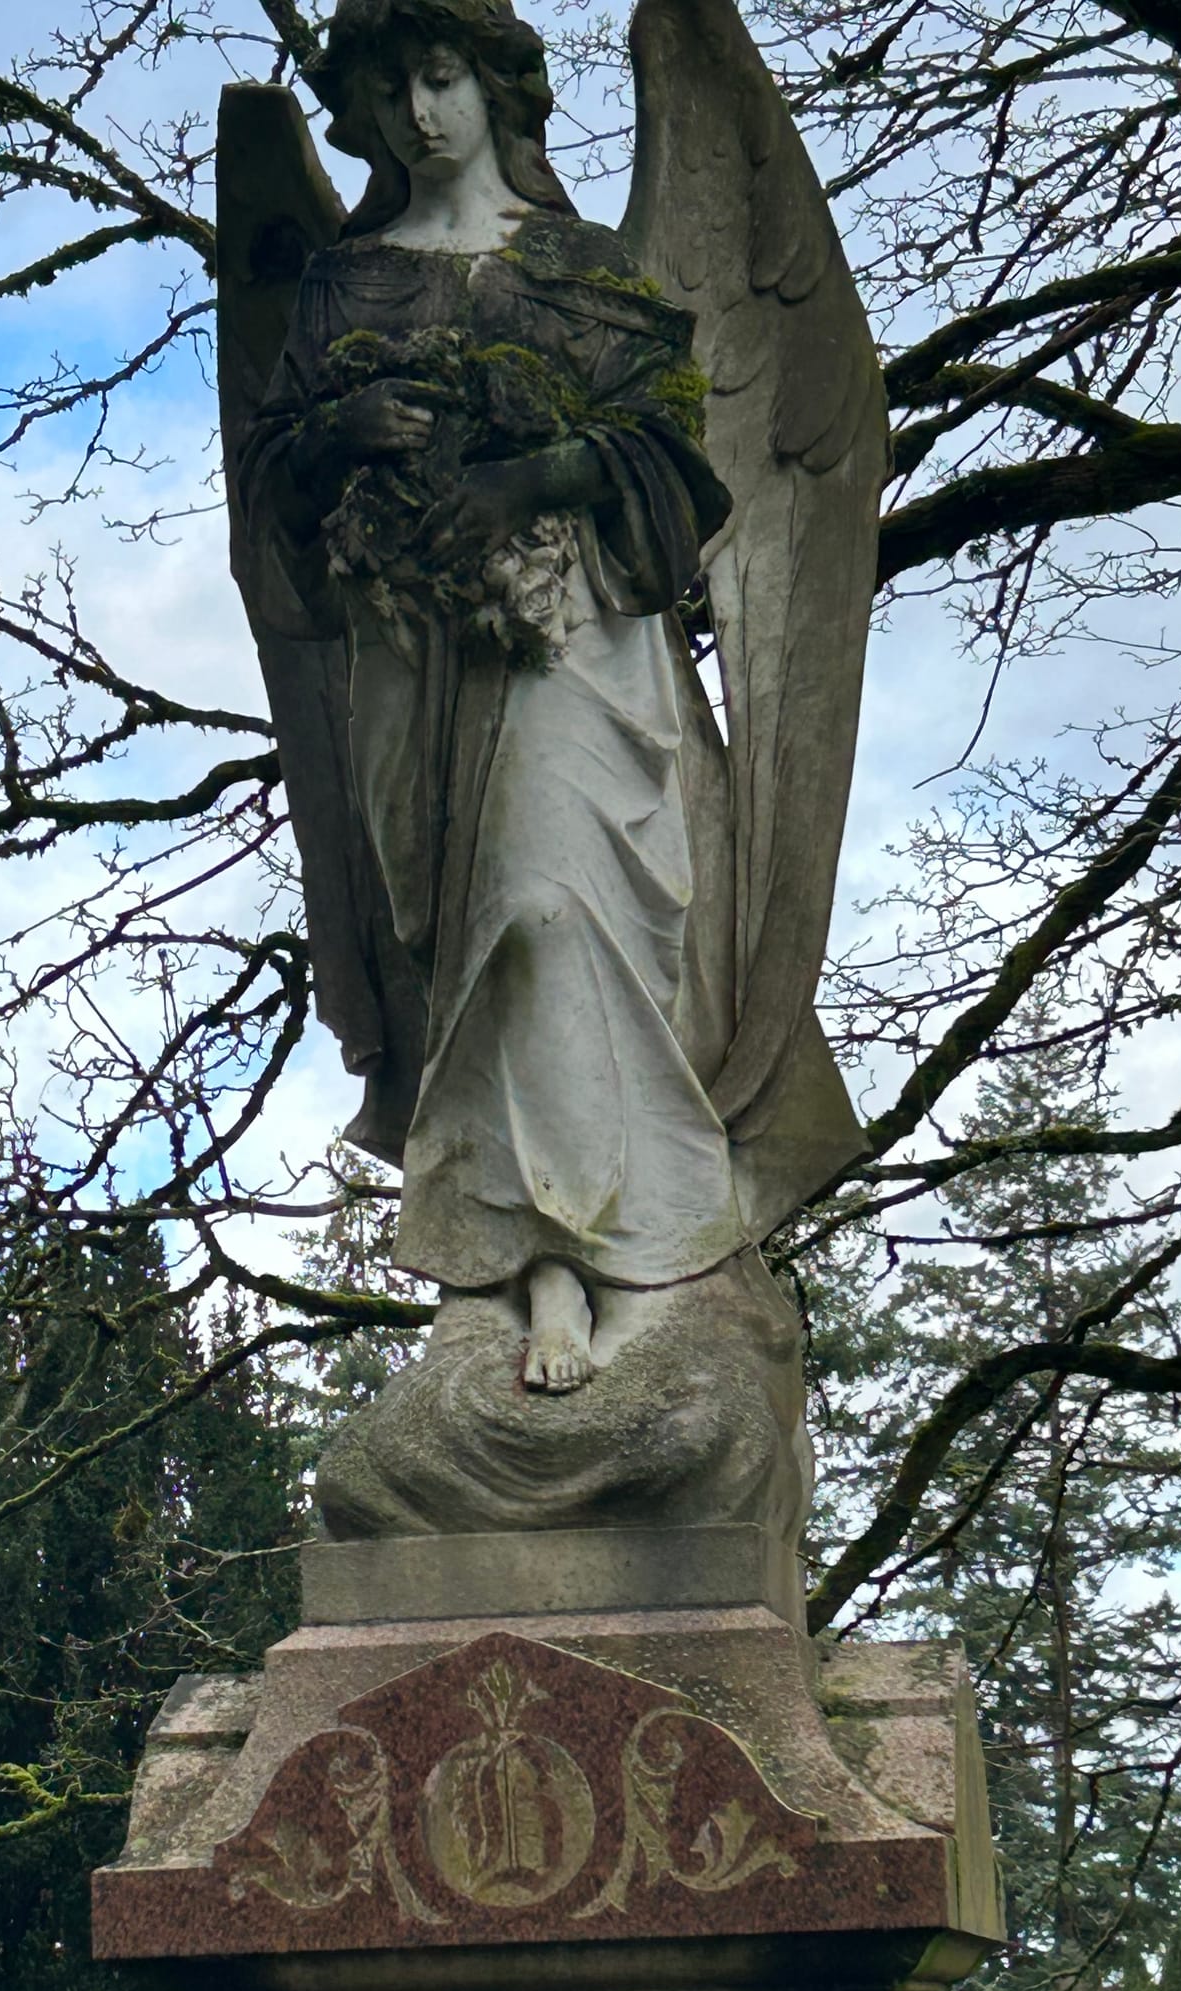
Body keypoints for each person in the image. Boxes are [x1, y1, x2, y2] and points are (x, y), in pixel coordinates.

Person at [237, 0, 744, 1393]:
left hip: (567, 636)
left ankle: (588, 1251)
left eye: (443, 77)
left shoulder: (584, 268)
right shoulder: (343, 286)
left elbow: (677, 464)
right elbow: (272, 491)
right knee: (468, 943)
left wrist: (532, 478)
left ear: (496, 86)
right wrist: (335, 434)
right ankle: (526, 1261)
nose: (419, 114)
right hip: (413, 660)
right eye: (391, 91)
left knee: (545, 909)